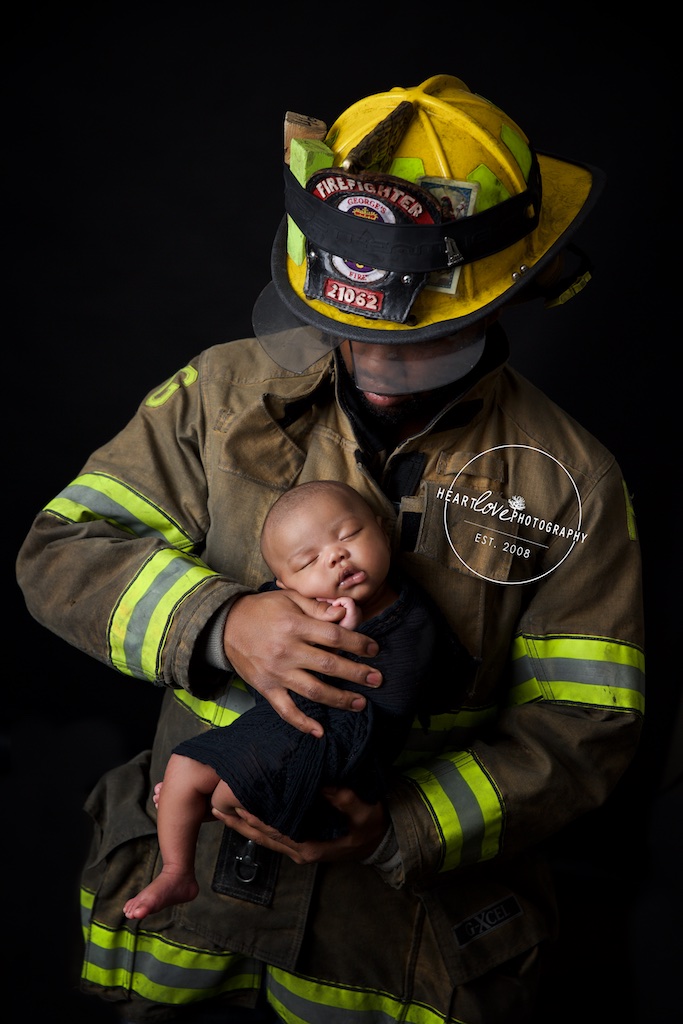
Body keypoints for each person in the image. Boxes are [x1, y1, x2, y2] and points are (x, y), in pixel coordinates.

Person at [16, 74, 645, 1024]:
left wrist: (406, 822)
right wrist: (220, 624)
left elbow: (583, 721)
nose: (383, 367)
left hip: (395, 944)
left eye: (424, 341)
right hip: (194, 923)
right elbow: (63, 549)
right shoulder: (217, 397)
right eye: (351, 336)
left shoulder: (566, 481)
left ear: (513, 284)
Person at [123, 479, 472, 921]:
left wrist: (350, 633)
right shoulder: (281, 610)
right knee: (181, 765)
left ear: (384, 532)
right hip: (286, 723)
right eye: (308, 562)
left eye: (349, 535)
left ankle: (207, 800)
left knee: (233, 786)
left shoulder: (412, 615)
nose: (336, 556)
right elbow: (266, 673)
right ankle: (177, 869)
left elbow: (400, 692)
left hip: (341, 738)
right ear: (284, 584)